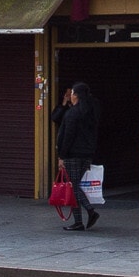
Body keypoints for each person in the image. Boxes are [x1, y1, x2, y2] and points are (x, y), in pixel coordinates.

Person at [51, 82, 101, 232]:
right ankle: (78, 221)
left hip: (73, 155)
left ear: (76, 95)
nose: (70, 96)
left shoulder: (73, 114)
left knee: (72, 186)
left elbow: (67, 136)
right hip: (87, 154)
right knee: (74, 185)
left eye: (72, 93)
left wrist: (61, 156)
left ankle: (90, 211)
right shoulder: (92, 112)